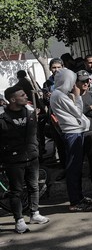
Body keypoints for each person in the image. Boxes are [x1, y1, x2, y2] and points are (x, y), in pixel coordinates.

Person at [0, 85, 50, 233]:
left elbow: (34, 134)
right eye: (22, 95)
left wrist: (36, 148)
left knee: (34, 186)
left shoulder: (29, 113)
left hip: (31, 156)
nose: (26, 96)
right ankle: (19, 220)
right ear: (13, 99)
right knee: (16, 190)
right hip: (13, 160)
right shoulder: (2, 118)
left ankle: (34, 213)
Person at [50, 68, 92, 212]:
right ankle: (75, 201)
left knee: (76, 167)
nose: (73, 85)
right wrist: (77, 97)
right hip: (72, 133)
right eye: (71, 81)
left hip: (76, 132)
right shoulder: (59, 95)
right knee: (73, 168)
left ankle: (79, 197)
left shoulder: (60, 94)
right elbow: (77, 112)